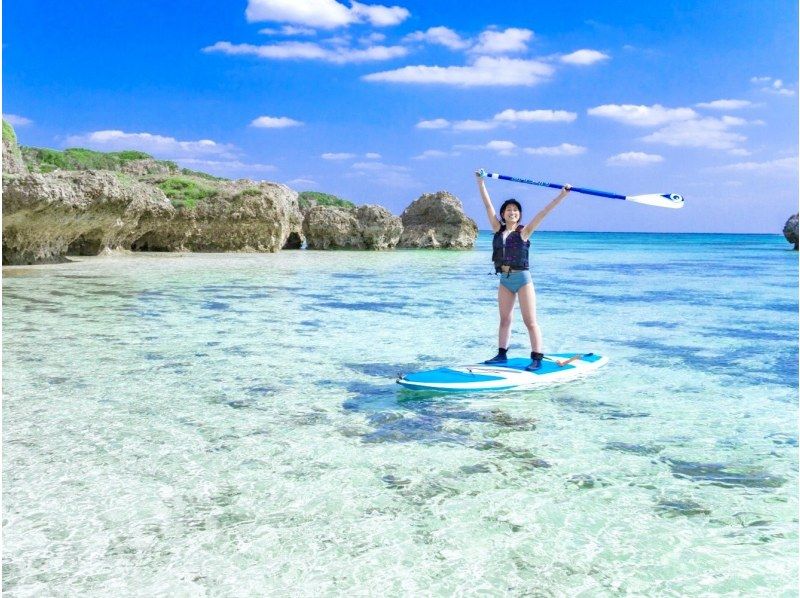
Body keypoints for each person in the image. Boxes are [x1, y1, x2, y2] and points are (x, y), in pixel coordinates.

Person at [475, 168, 571, 371]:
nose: (512, 212)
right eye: (508, 210)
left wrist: (561, 195)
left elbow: (544, 213)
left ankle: (537, 357)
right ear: (503, 214)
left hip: (523, 279)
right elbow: (487, 204)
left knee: (530, 321)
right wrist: (481, 182)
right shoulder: (497, 229)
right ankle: (501, 355)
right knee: (505, 320)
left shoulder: (524, 232)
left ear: (519, 215)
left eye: (515, 210)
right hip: (505, 280)